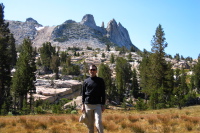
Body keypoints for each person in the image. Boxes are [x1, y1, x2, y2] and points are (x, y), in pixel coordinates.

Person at [81, 64, 106, 133]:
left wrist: (103, 104)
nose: (92, 71)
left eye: (94, 70)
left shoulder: (100, 80)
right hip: (87, 105)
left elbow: (103, 93)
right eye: (91, 70)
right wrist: (82, 105)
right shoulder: (86, 81)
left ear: (96, 71)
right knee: (90, 125)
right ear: (89, 71)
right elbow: (83, 93)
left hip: (97, 105)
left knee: (98, 122)